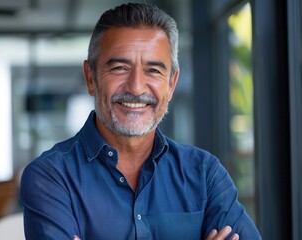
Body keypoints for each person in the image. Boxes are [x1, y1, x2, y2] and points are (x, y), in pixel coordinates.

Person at [20, 2, 261, 240]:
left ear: (171, 84)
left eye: (153, 70)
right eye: (119, 68)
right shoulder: (50, 177)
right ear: (91, 78)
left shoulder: (205, 174)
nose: (136, 87)